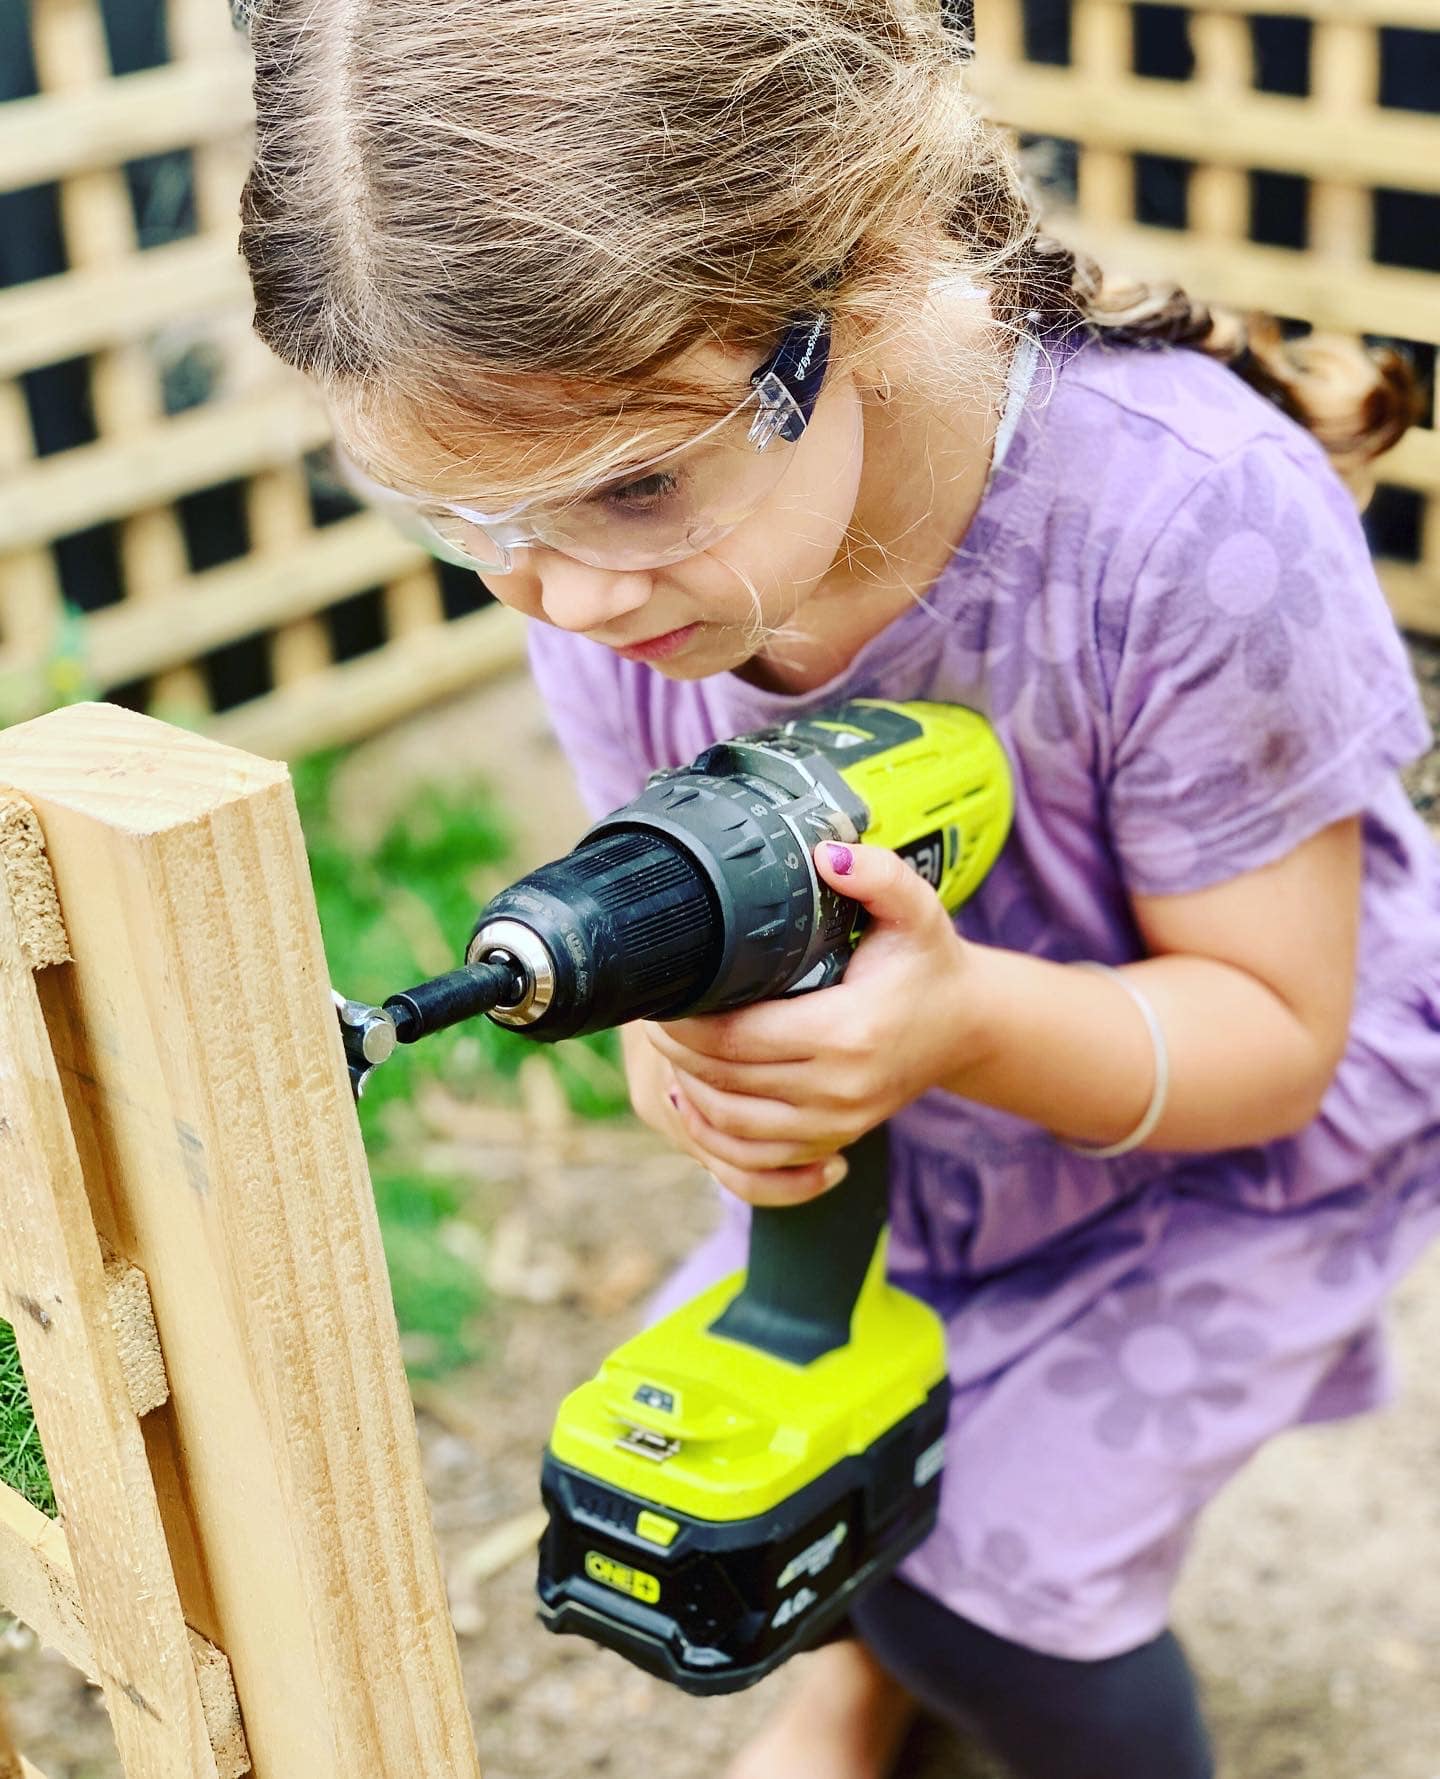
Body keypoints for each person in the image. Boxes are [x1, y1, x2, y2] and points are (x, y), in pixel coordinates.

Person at [238, 2, 1440, 1774]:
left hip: (1195, 1160)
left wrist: (957, 1019)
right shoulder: (616, 570)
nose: (556, 598)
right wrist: (682, 1059)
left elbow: (1277, 1038)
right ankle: (865, 1666)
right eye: (465, 519)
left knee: (1001, 1603)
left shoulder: (1194, 531)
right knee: (757, 1486)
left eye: (631, 487)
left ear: (859, 292)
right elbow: (678, 900)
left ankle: (966, 1674)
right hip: (891, 1173)